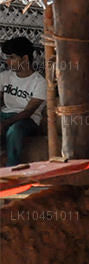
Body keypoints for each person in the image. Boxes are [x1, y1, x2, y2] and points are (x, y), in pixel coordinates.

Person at [1, 36, 46, 166]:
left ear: (25, 59)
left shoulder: (39, 82)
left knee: (15, 130)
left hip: (27, 120)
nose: (8, 62)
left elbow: (28, 112)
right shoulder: (5, 76)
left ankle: (12, 166)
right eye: (7, 57)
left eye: (12, 58)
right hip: (5, 114)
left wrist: (4, 124)